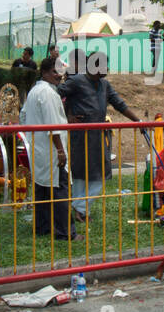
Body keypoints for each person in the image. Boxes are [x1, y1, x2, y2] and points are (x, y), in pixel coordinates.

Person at [58, 51, 142, 220]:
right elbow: (55, 96)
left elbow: (119, 104)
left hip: (98, 137)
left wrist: (138, 121)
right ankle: (80, 210)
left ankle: (78, 206)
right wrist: (67, 117)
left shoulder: (105, 84)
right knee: (80, 172)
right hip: (80, 137)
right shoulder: (76, 80)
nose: (107, 69)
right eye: (104, 66)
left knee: (100, 173)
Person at [20, 55, 78, 240]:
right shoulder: (48, 94)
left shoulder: (35, 91)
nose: (59, 75)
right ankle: (65, 233)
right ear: (44, 72)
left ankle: (43, 228)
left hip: (38, 149)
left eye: (61, 71)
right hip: (52, 150)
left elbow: (23, 117)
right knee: (60, 190)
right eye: (54, 71)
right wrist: (60, 150)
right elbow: (53, 126)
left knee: (42, 189)